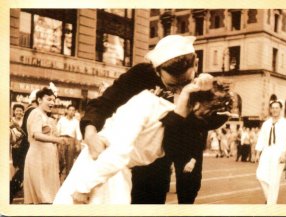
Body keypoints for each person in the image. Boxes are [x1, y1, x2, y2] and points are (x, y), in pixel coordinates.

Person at [79, 35, 229, 204]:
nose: (180, 88)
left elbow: (192, 136)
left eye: (185, 82)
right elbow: (103, 103)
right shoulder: (140, 75)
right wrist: (90, 130)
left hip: (171, 159)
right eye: (172, 85)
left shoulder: (202, 87)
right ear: (156, 70)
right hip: (132, 161)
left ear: (196, 63)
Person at [53, 73, 233, 204]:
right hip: (102, 169)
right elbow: (117, 152)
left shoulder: (179, 120)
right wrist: (84, 186)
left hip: (119, 174)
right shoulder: (148, 103)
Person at [23, 87, 67, 204]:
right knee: (41, 195)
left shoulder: (45, 116)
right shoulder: (36, 113)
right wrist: (56, 140)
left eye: (53, 100)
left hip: (45, 159)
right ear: (39, 100)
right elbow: (36, 134)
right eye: (49, 99)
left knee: (47, 195)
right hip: (38, 158)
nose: (52, 102)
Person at [255, 100, 286, 204]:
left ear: (281, 109)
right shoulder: (266, 123)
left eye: (277, 108)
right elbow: (261, 138)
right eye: (273, 108)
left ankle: (271, 204)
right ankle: (270, 201)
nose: (274, 110)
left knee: (274, 180)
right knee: (260, 175)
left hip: (279, 153)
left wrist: (284, 154)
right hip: (266, 152)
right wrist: (257, 153)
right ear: (270, 109)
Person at [10, 90, 39, 203]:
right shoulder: (32, 111)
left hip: (25, 147)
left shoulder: (29, 111)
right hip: (26, 148)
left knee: (24, 173)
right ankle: (10, 193)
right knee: (22, 173)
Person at [56, 104, 82, 181]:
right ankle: (57, 177)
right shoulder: (61, 119)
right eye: (70, 110)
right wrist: (57, 140)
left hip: (71, 140)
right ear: (66, 110)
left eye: (73, 110)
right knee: (60, 159)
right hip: (62, 139)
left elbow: (78, 133)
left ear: (75, 112)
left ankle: (67, 179)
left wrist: (78, 144)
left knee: (69, 161)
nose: (71, 112)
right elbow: (57, 131)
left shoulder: (76, 122)